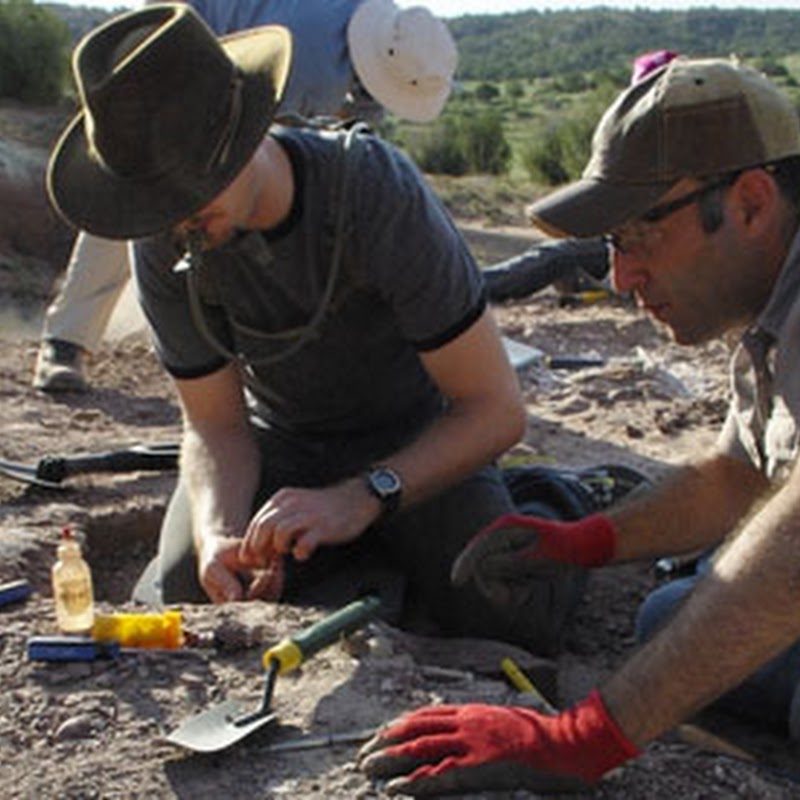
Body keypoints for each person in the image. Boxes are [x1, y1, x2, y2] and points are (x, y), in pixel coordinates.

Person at [45, 5, 602, 654]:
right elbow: (216, 425)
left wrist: (364, 497)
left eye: (190, 192)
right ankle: (375, 564)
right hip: (283, 442)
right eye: (159, 203)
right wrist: (220, 532)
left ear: (247, 133)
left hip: (414, 439)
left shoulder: (373, 193)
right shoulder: (166, 235)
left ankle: (549, 496)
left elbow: (496, 410)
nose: (177, 223)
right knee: (185, 593)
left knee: (509, 611)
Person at [358, 56, 800, 795]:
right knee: (667, 615)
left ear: (751, 203)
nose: (619, 279)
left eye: (636, 236)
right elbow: (740, 471)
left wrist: (581, 737)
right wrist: (587, 540)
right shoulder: (770, 305)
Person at [33, 0, 457, 393]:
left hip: (217, 59)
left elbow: (349, 139)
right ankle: (66, 341)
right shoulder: (316, 62)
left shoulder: (375, 41)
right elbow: (262, 154)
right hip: (166, 49)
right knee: (141, 187)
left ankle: (190, 340)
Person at [483, 50, 677, 305]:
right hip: (625, 240)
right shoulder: (643, 141)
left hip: (653, 247)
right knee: (558, 256)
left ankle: (469, 289)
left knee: (558, 256)